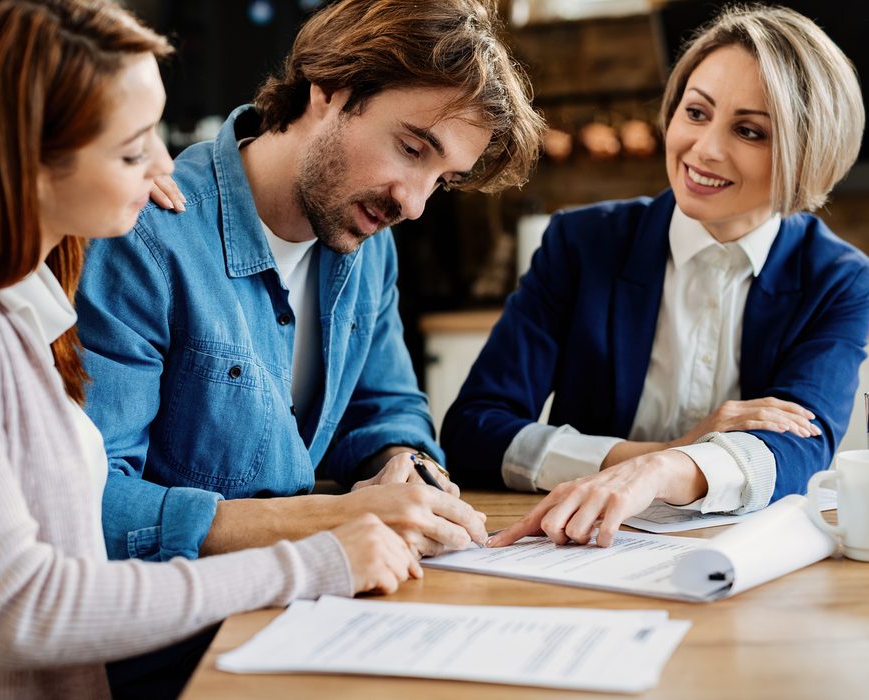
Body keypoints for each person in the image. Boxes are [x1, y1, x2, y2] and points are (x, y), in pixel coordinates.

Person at [0, 1, 419, 697]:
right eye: (133, 148)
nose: (166, 166)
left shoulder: (19, 299)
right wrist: (314, 561)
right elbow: (21, 610)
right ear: (23, 157)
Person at [76, 0, 543, 569]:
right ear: (328, 90)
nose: (413, 203)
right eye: (412, 149)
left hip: (314, 598)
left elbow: (385, 409)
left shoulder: (369, 246)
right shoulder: (145, 238)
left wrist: (406, 467)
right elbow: (91, 505)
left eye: (441, 181)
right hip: (186, 633)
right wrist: (327, 519)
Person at [442, 5, 869, 549]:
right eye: (696, 113)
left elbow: (798, 453)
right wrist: (654, 455)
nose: (704, 149)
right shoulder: (582, 244)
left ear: (807, 154)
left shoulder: (837, 280)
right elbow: (475, 432)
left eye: (749, 131)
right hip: (578, 547)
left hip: (737, 566)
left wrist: (661, 473)